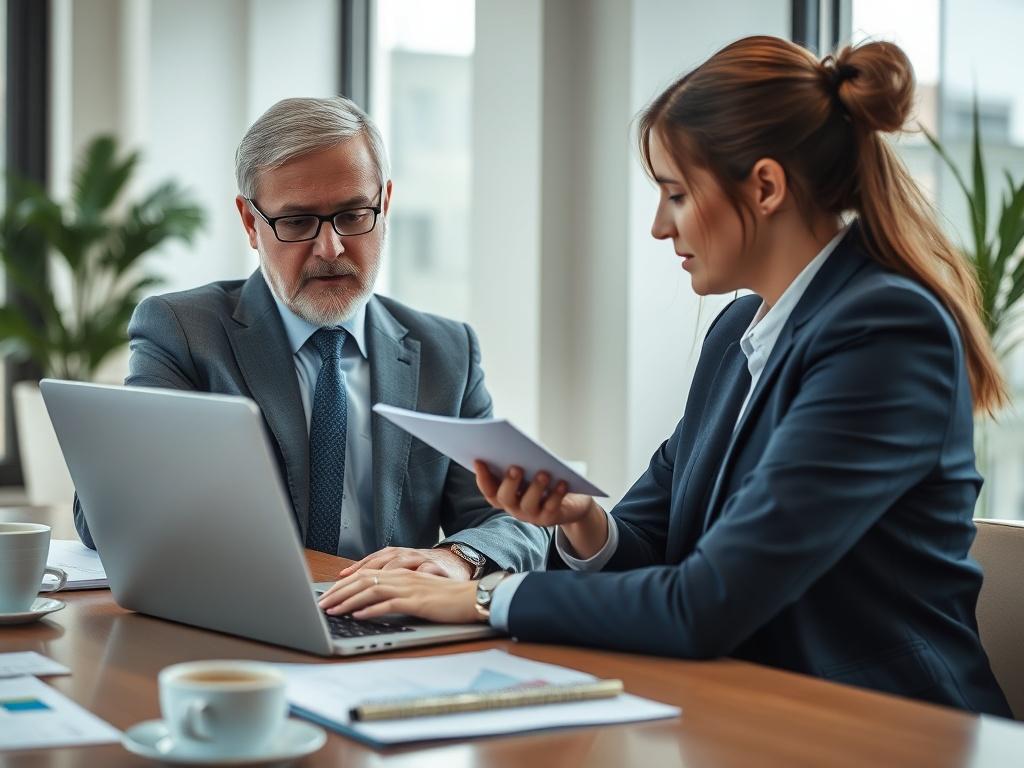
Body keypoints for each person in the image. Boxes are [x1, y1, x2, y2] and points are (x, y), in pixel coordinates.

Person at [318, 37, 1012, 715]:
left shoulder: (886, 332)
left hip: (879, 728)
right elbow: (659, 547)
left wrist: (481, 597)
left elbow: (705, 604)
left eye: (675, 194)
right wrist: (583, 521)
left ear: (766, 186)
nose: (658, 227)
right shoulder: (737, 335)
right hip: (740, 708)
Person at [73, 96, 549, 579]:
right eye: (297, 222)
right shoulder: (183, 332)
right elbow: (106, 518)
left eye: (353, 214)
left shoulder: (447, 351)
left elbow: (513, 516)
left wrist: (455, 557)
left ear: (385, 204)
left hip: (388, 628)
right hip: (242, 617)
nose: (330, 248)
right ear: (250, 223)